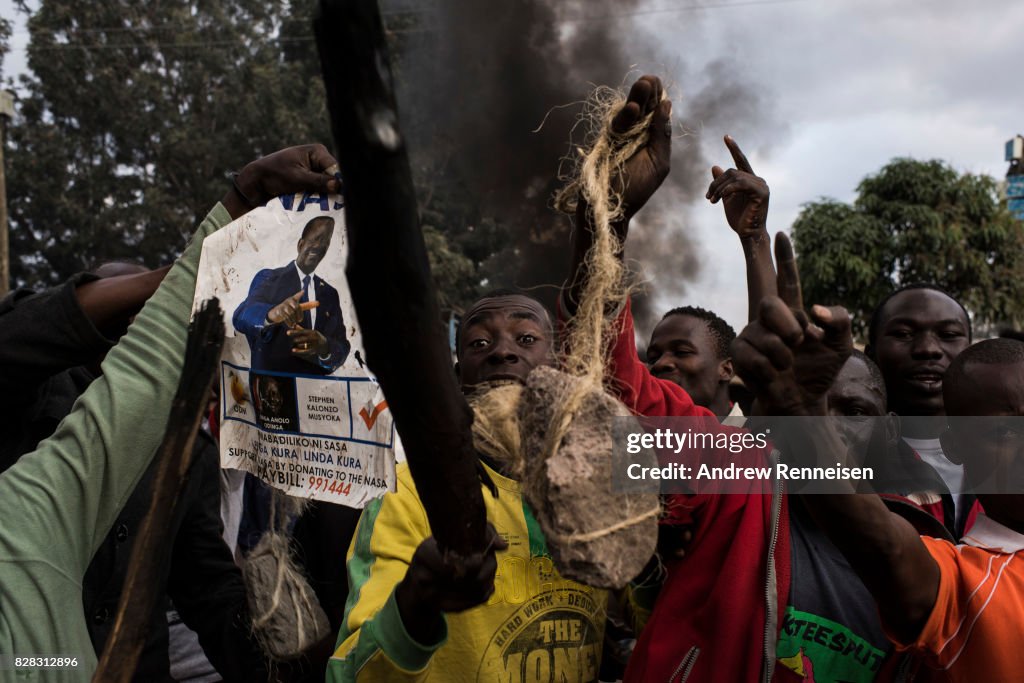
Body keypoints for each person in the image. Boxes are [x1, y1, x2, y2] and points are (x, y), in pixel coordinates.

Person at [0, 144, 341, 680]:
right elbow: (20, 339)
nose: (152, 332)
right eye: (130, 317)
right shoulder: (37, 403)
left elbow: (209, 590)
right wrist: (180, 280)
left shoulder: (187, 454)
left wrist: (312, 658)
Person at [733, 272, 1024, 679]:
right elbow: (878, 540)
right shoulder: (959, 581)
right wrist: (802, 415)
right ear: (955, 446)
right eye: (1006, 431)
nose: (927, 350)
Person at [327, 290, 612, 682]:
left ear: (560, 368)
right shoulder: (407, 496)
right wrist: (415, 604)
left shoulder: (602, 490)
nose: (502, 352)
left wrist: (650, 565)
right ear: (458, 380)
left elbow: (665, 622)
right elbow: (348, 674)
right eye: (479, 343)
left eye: (526, 338)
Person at [867, 284, 979, 536]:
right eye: (903, 333)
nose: (928, 349)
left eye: (949, 334)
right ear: (870, 354)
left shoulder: (1006, 452)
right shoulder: (844, 455)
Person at [232, 215, 351, 375]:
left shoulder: (330, 294)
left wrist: (324, 347)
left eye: (326, 242)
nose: (319, 246)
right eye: (316, 238)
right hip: (272, 389)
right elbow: (241, 317)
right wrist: (272, 314)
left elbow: (342, 345)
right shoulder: (270, 278)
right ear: (300, 244)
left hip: (315, 394)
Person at [646, 306, 738, 420]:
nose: (660, 363)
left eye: (681, 352)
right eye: (653, 358)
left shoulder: (757, 434)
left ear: (726, 369)